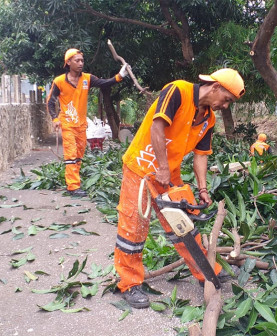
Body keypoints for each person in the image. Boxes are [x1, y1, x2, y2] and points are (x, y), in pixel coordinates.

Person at [114, 68, 245, 308]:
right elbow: (157, 127)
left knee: (183, 225)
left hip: (169, 173)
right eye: (227, 100)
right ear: (216, 87)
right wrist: (161, 168)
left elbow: (201, 156)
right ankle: (129, 283)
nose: (225, 106)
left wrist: (203, 189)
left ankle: (204, 272)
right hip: (141, 168)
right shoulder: (178, 91)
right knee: (133, 228)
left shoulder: (209, 119)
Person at [47, 48, 128, 197]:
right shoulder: (59, 82)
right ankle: (72, 187)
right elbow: (51, 102)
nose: (80, 63)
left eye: (82, 61)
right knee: (71, 154)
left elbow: (105, 83)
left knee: (79, 154)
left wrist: (119, 76)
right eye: (77, 60)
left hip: (81, 125)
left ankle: (74, 182)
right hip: (67, 124)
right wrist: (55, 118)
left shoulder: (87, 78)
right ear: (68, 62)